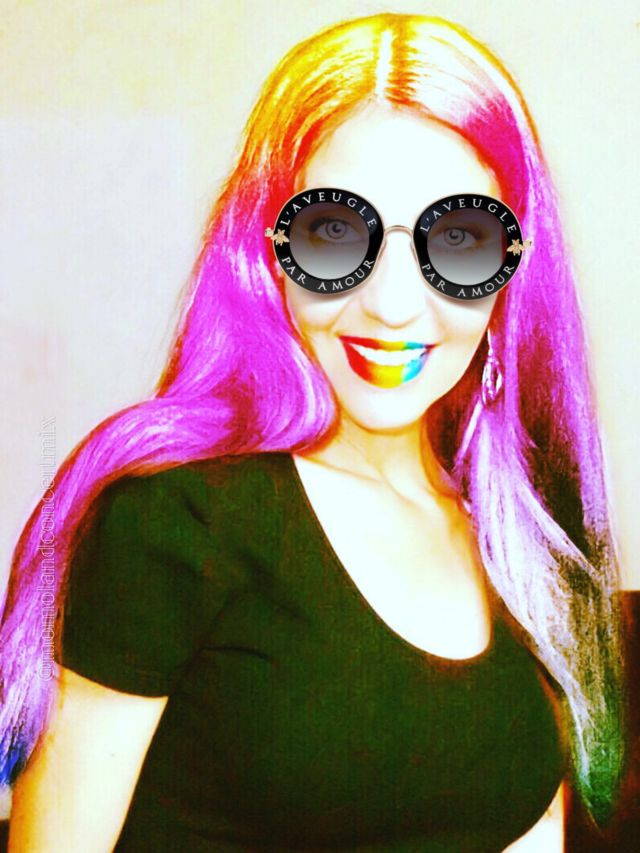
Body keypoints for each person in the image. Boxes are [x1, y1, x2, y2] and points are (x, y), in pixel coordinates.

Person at [0, 12, 627, 852]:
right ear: (268, 249)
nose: (393, 305)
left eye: (459, 237)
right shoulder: (172, 521)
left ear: (515, 267)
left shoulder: (530, 546)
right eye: (335, 231)